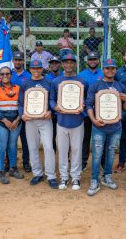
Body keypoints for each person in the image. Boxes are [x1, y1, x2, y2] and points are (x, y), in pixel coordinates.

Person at [86, 59, 126, 196]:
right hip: (99, 126)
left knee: (110, 153)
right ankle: (94, 180)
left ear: (115, 69)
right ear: (103, 69)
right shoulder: (96, 86)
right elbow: (88, 105)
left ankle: (107, 177)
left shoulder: (120, 86)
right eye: (107, 68)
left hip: (115, 127)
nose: (110, 71)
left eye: (112, 68)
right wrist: (94, 120)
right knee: (97, 154)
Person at [50, 54, 88, 190]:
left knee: (77, 150)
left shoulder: (82, 81)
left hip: (77, 121)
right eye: (66, 62)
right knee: (63, 150)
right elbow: (51, 99)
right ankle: (64, 177)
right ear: (62, 64)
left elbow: (87, 100)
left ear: (75, 65)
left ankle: (76, 178)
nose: (69, 65)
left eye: (72, 63)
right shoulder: (56, 82)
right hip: (61, 121)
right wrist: (55, 107)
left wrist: (82, 106)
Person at [18, 59, 58, 188]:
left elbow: (52, 99)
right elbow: (20, 102)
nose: (36, 70)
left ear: (42, 69)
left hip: (45, 119)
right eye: (33, 68)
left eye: (38, 68)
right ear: (30, 69)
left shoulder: (48, 82)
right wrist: (21, 114)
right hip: (30, 120)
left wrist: (51, 111)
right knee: (32, 147)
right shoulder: (25, 84)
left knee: (48, 146)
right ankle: (37, 173)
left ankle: (51, 175)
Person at [0, 66, 24, 184]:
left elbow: (22, 106)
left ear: (11, 75)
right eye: (2, 74)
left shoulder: (18, 88)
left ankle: (13, 168)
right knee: (2, 146)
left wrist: (17, 119)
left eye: (7, 74)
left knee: (13, 145)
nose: (5, 76)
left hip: (16, 122)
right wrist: (5, 120)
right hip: (0, 122)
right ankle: (1, 171)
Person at [78, 51, 104, 171]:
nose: (92, 61)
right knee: (85, 138)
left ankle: (103, 163)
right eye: (90, 59)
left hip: (101, 113)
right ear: (87, 61)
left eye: (95, 59)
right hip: (85, 113)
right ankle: (83, 162)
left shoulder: (104, 74)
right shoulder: (81, 75)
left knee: (102, 138)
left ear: (98, 60)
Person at [9, 51, 32, 172]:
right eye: (16, 60)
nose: (18, 62)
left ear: (23, 61)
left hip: (25, 112)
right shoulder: (8, 74)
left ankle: (26, 162)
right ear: (13, 61)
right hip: (10, 111)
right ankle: (9, 161)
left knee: (25, 140)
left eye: (20, 60)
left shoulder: (28, 76)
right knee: (10, 140)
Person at [45, 56, 63, 152]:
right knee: (51, 136)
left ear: (60, 64)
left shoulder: (65, 76)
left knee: (63, 136)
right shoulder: (46, 78)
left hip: (63, 111)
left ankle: (65, 156)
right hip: (50, 112)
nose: (54, 65)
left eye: (56, 62)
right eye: (52, 63)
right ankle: (52, 155)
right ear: (50, 65)